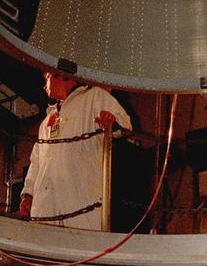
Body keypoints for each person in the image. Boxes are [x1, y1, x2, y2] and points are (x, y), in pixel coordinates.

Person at [19, 72, 132, 229]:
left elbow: (125, 125)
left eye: (47, 78)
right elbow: (36, 161)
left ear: (60, 75)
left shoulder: (94, 96)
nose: (44, 85)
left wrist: (110, 122)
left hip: (80, 199)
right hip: (45, 205)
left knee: (83, 241)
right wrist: (28, 194)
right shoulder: (46, 122)